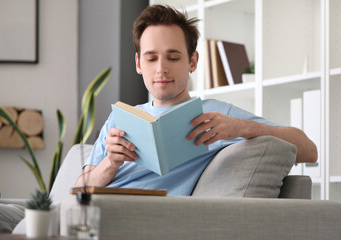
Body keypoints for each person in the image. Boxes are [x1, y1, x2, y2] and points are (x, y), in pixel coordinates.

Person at [75, 5, 317, 195]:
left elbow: (309, 149)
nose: (161, 69)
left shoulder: (214, 115)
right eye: (151, 58)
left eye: (173, 57)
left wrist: (241, 128)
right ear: (138, 64)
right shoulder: (120, 118)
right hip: (92, 215)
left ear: (192, 62)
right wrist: (110, 162)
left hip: (139, 219)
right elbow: (79, 188)